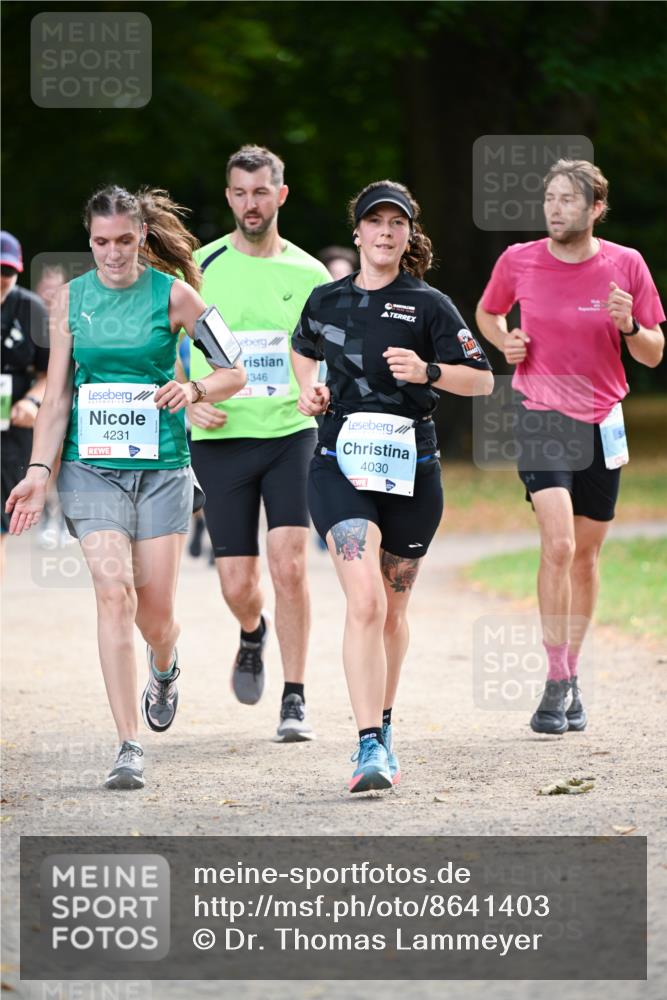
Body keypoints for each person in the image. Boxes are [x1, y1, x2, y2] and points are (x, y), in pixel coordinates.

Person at [5, 185, 246, 789]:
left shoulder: (176, 295)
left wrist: (191, 391)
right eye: (100, 242)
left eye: (124, 241)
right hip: (92, 467)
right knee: (114, 593)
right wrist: (39, 473)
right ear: (89, 240)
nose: (112, 253)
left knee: (155, 613)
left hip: (162, 468)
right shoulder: (70, 302)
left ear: (142, 238)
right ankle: (127, 745)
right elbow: (57, 396)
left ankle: (163, 666)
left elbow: (234, 371)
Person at [291, 180, 494, 792]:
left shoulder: (429, 305)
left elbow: (482, 381)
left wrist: (429, 370)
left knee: (393, 606)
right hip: (339, 463)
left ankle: (384, 720)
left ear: (408, 235)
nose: (385, 231)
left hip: (411, 469)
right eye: (374, 221)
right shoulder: (326, 300)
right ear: (357, 232)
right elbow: (302, 349)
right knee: (366, 601)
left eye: (396, 223)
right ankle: (367, 748)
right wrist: (310, 388)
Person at [475, 159, 665, 735]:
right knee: (557, 544)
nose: (554, 208)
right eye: (549, 198)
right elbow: (488, 312)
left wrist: (630, 325)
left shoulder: (625, 265)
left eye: (567, 200)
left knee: (585, 554)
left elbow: (654, 352)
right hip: (540, 414)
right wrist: (505, 340)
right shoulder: (519, 260)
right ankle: (555, 679)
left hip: (603, 419)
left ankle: (573, 673)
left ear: (595, 209)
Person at [187, 144, 329, 742]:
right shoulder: (198, 266)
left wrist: (315, 391)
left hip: (289, 433)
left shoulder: (309, 274)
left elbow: (326, 356)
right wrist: (191, 396)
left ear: (281, 195)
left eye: (262, 192)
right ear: (228, 197)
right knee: (238, 585)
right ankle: (252, 633)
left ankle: (294, 697)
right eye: (241, 193)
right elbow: (166, 348)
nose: (251, 203)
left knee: (291, 564)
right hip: (220, 438)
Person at [1, 231, 49, 573]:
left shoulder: (31, 308)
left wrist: (32, 401)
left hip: (10, 431)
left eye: (8, 271)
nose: (1, 279)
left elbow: (53, 374)